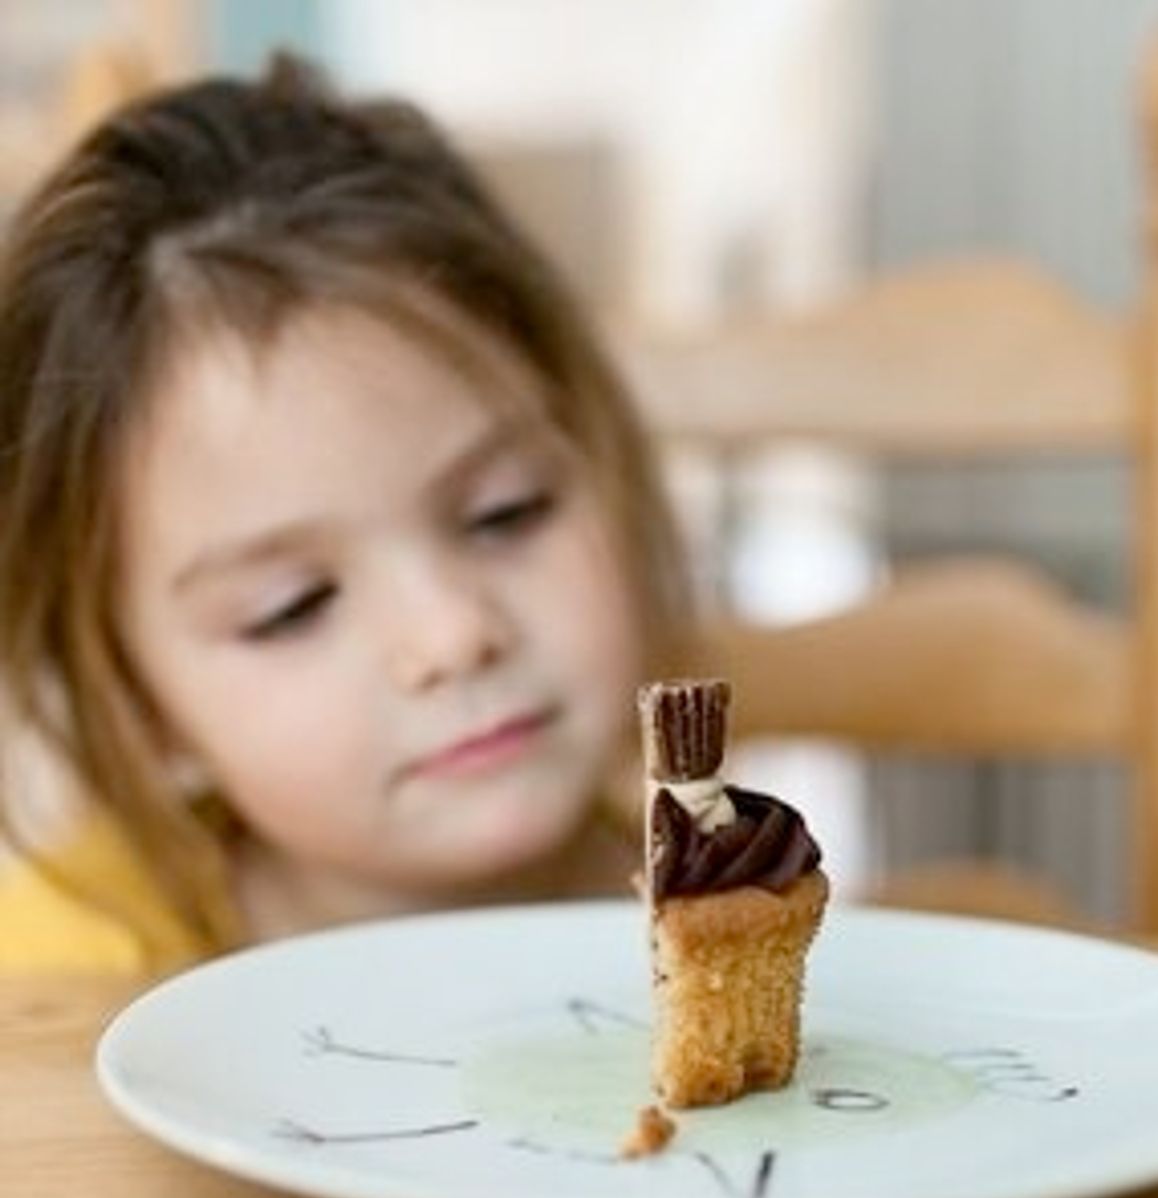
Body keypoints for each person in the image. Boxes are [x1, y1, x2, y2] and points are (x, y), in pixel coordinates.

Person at [0, 55, 688, 974]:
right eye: (292, 605)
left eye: (506, 514)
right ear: (138, 707)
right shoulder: (51, 986)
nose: (451, 636)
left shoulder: (736, 908)